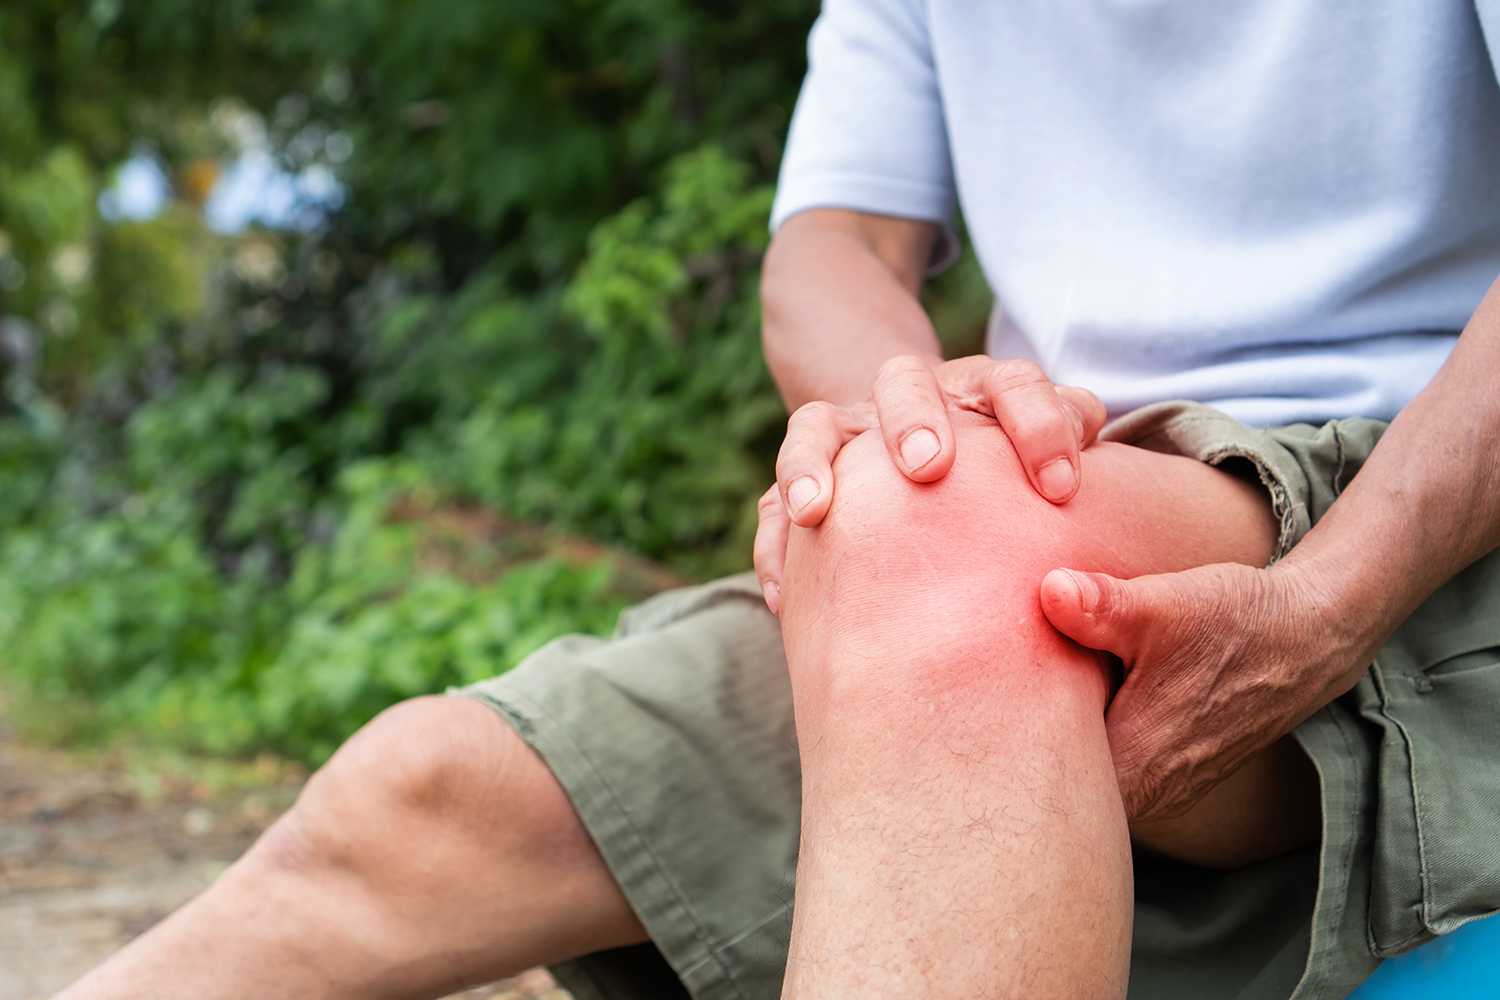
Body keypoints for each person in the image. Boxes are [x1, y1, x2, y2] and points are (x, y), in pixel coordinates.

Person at [58, 1, 1500, 998]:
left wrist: (1327, 601)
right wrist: (913, 420)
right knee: (423, 803)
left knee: (946, 548)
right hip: (1040, 501)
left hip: (1412, 498)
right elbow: (829, 246)